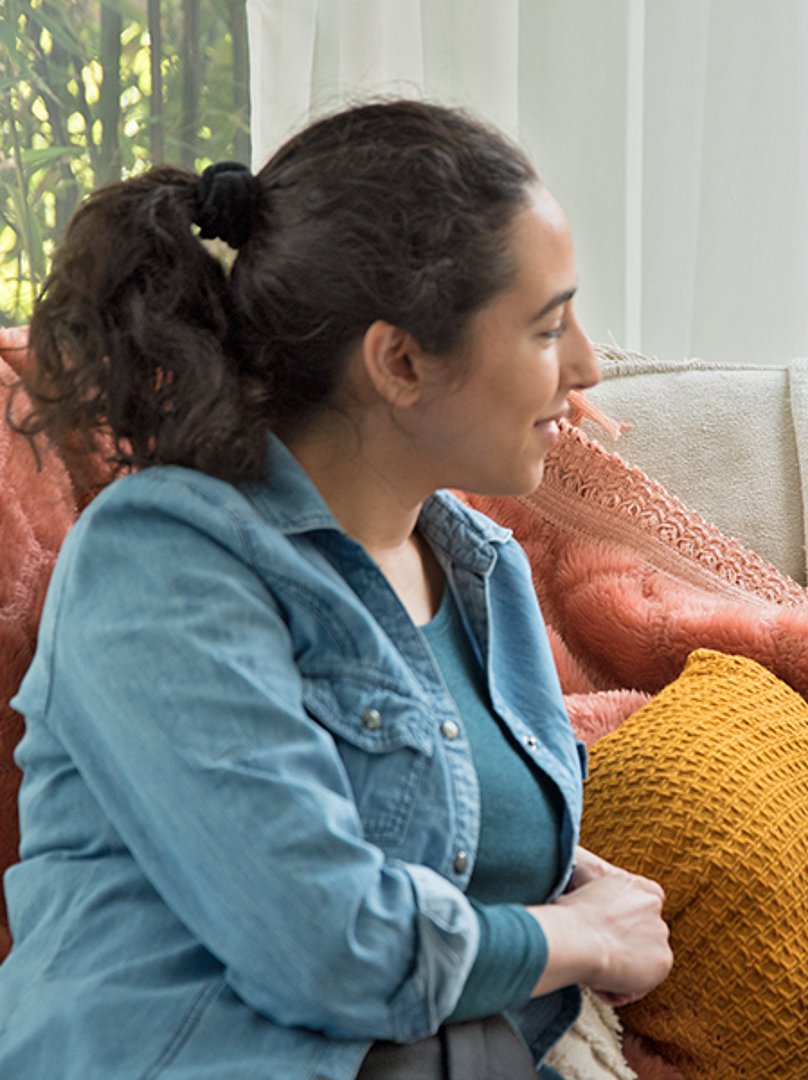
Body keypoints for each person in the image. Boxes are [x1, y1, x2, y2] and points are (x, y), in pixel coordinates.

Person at [0, 100, 671, 1079]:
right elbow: (327, 945)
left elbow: (449, 854)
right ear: (400, 361)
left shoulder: (488, 576)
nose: (586, 368)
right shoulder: (159, 564)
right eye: (545, 328)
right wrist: (584, 940)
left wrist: (570, 897)